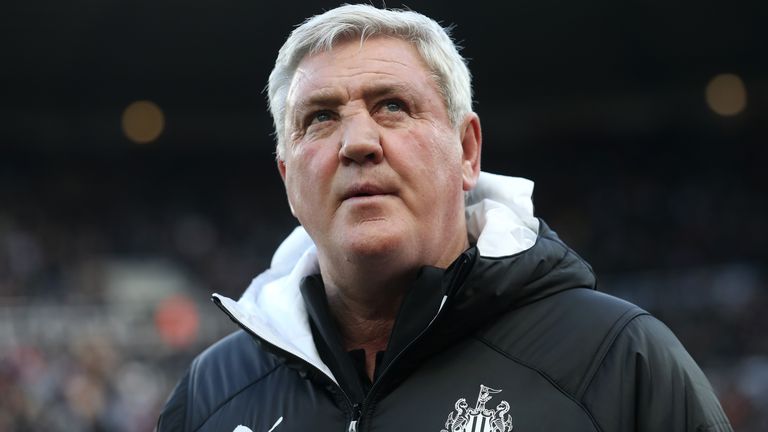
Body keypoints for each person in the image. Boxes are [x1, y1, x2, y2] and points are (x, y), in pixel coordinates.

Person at [157, 4, 732, 431]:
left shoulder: (618, 361)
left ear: (468, 151)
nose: (358, 142)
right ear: (287, 175)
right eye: (321, 118)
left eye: (393, 106)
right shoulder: (211, 395)